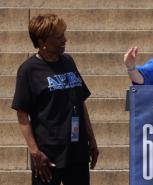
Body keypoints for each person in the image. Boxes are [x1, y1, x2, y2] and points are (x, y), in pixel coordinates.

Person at [11, 14, 99, 185]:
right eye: (58, 37)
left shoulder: (68, 61)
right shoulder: (29, 70)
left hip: (77, 151)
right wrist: (35, 152)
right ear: (43, 41)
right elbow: (22, 114)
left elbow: (80, 102)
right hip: (48, 155)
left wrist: (91, 139)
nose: (64, 40)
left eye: (63, 34)